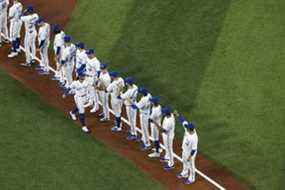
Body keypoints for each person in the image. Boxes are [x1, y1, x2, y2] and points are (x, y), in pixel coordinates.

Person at [150, 106, 175, 170]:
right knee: (166, 147)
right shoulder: (171, 115)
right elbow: (173, 113)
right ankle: (167, 157)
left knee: (170, 149)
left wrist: (155, 123)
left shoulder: (169, 121)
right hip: (166, 135)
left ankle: (171, 164)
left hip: (168, 136)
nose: (162, 113)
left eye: (164, 112)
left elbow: (162, 130)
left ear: (166, 113)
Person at [67, 68, 91, 134]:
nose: (84, 76)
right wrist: (65, 93)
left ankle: (72, 112)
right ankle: (84, 127)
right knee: (82, 111)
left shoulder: (86, 81)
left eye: (84, 75)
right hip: (78, 98)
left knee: (79, 107)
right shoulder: (75, 83)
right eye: (83, 75)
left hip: (85, 97)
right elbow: (69, 88)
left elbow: (89, 86)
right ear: (80, 76)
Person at [176, 115, 199, 185]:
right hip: (185, 150)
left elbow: (194, 149)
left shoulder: (194, 138)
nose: (186, 127)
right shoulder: (188, 129)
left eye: (188, 127)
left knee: (191, 165)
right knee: (184, 161)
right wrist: (178, 115)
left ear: (190, 129)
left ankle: (192, 178)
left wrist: (189, 156)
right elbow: (184, 121)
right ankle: (185, 173)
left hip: (190, 153)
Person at [131, 86, 152, 150]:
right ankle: (143, 139)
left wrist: (132, 102)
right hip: (147, 112)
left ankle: (147, 144)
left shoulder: (143, 100)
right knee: (144, 128)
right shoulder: (149, 95)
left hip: (144, 115)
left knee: (145, 129)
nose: (140, 93)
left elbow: (136, 107)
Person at [85, 49, 100, 113]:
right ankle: (91, 102)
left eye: (88, 54)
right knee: (90, 91)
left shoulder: (96, 62)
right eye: (87, 54)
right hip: (87, 77)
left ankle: (96, 107)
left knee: (94, 94)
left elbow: (98, 72)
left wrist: (96, 82)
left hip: (93, 79)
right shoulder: (88, 59)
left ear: (92, 54)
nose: (87, 55)